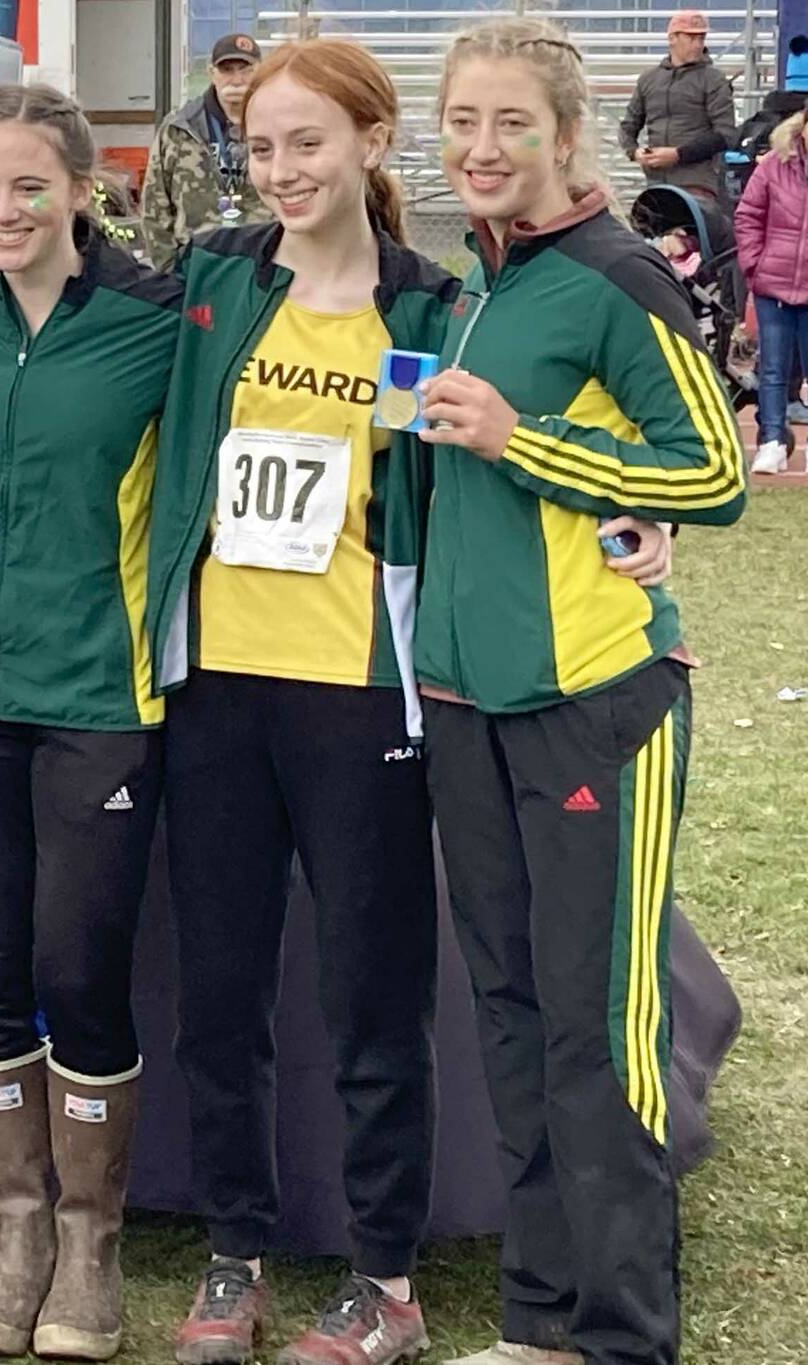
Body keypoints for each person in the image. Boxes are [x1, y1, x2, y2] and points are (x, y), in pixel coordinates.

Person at [419, 17, 745, 1365]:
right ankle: (544, 1321)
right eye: (461, 123)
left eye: (510, 123)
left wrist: (526, 439)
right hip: (464, 706)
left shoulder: (617, 276)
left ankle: (621, 1339)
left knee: (599, 1028)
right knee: (510, 1016)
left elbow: (712, 475)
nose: (482, 148)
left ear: (565, 132)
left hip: (592, 705)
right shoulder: (472, 281)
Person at [138, 39, 458, 1365]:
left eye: (309, 144)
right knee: (221, 989)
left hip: (359, 692)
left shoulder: (437, 305)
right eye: (263, 147)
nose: (283, 171)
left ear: (372, 144)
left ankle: (386, 1278)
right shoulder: (217, 277)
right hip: (218, 686)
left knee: (374, 995)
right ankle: (234, 1252)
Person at [0, 82, 177, 1361]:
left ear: (79, 189)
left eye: (26, 187)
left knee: (78, 965)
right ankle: (15, 1249)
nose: (1, 211)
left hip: (95, 696)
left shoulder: (153, 317)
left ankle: (89, 1251)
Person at [141, 33, 273, 270]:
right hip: (197, 268)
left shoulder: (278, 126)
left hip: (263, 267)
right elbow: (155, 209)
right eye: (227, 70)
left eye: (246, 70)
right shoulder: (179, 128)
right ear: (212, 73)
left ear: (260, 73)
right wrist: (171, 274)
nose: (237, 79)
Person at [735, 110, 808, 475]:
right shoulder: (773, 165)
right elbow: (748, 214)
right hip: (773, 285)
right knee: (773, 368)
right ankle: (772, 442)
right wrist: (755, 265)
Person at [619, 9, 739, 201]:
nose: (698, 44)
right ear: (672, 38)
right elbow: (628, 126)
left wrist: (678, 155)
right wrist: (635, 152)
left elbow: (725, 135)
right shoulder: (648, 79)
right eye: (691, 37)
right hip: (656, 184)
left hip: (698, 185)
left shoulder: (714, 80)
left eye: (701, 38)